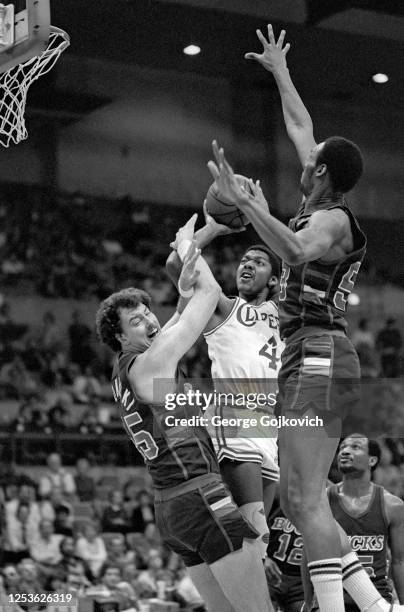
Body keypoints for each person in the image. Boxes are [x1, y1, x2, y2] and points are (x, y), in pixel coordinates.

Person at [207, 24, 404, 612]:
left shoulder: (333, 222)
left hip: (321, 351)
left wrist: (245, 205)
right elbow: (301, 126)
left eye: (311, 159)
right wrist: (280, 71)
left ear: (320, 171)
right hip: (304, 355)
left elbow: (291, 254)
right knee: (298, 500)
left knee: (304, 500)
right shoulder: (313, 201)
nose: (304, 155)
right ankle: (378, 607)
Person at [96, 214, 273, 612]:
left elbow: (177, 316)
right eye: (136, 321)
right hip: (198, 495)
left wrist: (208, 235)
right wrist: (188, 243)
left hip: (171, 509)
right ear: (122, 337)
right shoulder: (151, 363)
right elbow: (207, 296)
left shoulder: (129, 368)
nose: (149, 320)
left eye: (147, 312)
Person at [166, 209, 283, 559]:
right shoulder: (223, 308)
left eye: (258, 262)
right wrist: (211, 230)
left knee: (257, 543)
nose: (247, 265)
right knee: (254, 529)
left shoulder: (285, 313)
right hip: (233, 417)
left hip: (268, 426)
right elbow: (176, 265)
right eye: (244, 260)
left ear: (275, 280)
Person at [305, 435, 404, 611]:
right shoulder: (322, 500)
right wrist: (308, 599)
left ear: (372, 460)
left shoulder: (392, 505)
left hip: (377, 596)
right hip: (331, 595)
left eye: (355, 447)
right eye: (342, 447)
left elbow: (399, 562)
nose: (345, 451)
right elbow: (308, 554)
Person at [266, 505, 304, 612]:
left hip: (301, 584)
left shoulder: (327, 508)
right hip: (269, 574)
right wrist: (262, 557)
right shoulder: (274, 496)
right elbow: (252, 532)